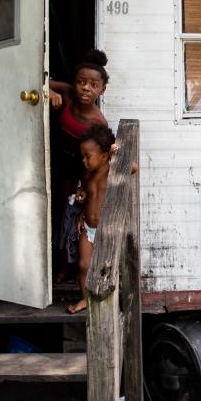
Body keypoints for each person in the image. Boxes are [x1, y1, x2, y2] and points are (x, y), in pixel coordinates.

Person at [47, 50, 109, 284]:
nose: (85, 88)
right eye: (81, 82)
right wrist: (50, 91)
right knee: (54, 212)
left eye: (93, 85)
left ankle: (66, 267)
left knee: (68, 217)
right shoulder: (69, 94)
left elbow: (99, 161)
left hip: (78, 171)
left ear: (101, 90)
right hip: (53, 159)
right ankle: (61, 265)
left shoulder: (98, 123)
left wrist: (85, 187)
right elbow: (37, 80)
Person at [68, 124, 117, 314]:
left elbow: (134, 167)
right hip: (88, 228)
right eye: (82, 156)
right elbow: (88, 196)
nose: (84, 160)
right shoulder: (88, 175)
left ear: (104, 155)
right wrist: (81, 195)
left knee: (106, 267)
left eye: (88, 156)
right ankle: (85, 298)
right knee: (83, 265)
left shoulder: (111, 170)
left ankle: (106, 298)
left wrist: (115, 153)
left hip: (105, 230)